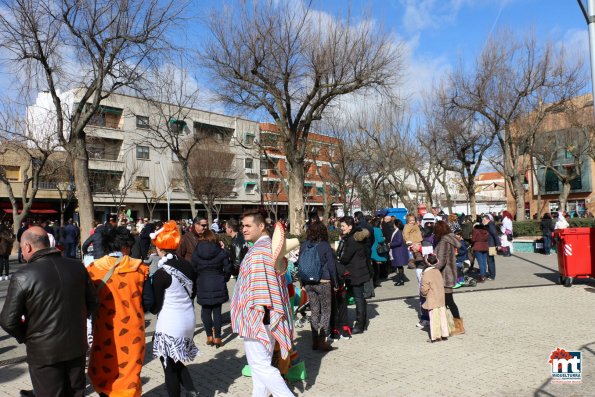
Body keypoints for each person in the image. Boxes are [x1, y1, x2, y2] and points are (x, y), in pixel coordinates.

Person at [0, 226, 97, 396]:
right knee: (76, 393)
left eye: (22, 248)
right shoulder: (77, 267)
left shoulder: (23, 276)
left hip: (44, 353)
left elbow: (8, 320)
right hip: (76, 347)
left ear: (28, 247)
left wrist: (27, 336)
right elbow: (93, 303)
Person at [230, 211, 294, 397]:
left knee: (260, 365)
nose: (243, 229)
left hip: (258, 316)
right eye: (242, 225)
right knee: (261, 369)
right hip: (265, 315)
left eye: (248, 225)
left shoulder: (259, 252)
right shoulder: (269, 247)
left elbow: (260, 291)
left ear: (261, 226)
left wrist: (256, 317)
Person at [87, 225, 149, 397]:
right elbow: (150, 302)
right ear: (125, 247)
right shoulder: (139, 269)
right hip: (133, 330)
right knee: (130, 368)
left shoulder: (93, 269)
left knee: (105, 365)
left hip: (104, 328)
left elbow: (87, 300)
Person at [150, 221, 200, 397]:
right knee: (175, 360)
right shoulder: (188, 265)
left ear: (159, 248)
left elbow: (155, 306)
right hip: (189, 319)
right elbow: (193, 292)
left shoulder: (160, 274)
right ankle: (192, 391)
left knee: (168, 366)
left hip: (170, 322)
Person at [296, 221, 338, 352]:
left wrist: (302, 283)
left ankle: (314, 341)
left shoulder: (304, 245)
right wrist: (336, 283)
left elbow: (299, 264)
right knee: (326, 311)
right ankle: (322, 340)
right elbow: (332, 266)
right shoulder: (325, 246)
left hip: (308, 283)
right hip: (324, 282)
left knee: (314, 311)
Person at [192, 229, 233, 348]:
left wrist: (198, 278)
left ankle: (209, 335)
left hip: (203, 283)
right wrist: (224, 278)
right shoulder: (220, 252)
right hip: (217, 282)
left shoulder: (196, 252)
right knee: (217, 311)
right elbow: (228, 268)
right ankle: (218, 337)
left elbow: (193, 268)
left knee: (205, 310)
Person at [339, 216, 371, 334]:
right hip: (359, 270)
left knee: (358, 298)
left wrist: (339, 260)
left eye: (343, 226)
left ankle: (359, 325)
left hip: (356, 272)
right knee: (359, 298)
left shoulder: (353, 239)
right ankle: (362, 323)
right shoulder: (356, 236)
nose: (341, 228)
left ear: (350, 227)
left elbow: (346, 257)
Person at [433, 221, 464, 335]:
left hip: (444, 275)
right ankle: (449, 325)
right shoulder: (450, 239)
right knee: (447, 301)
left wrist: (431, 268)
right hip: (450, 273)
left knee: (448, 301)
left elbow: (441, 261)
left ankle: (458, 326)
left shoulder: (443, 242)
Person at [420, 253, 449, 342]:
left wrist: (424, 294)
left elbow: (424, 289)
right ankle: (444, 334)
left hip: (432, 298)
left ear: (426, 263)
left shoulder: (426, 274)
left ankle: (436, 337)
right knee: (442, 317)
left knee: (434, 318)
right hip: (441, 298)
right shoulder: (438, 271)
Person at [389, 219, 409, 286]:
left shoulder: (398, 232)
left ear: (396, 224)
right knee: (399, 266)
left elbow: (398, 242)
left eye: (394, 223)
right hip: (398, 251)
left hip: (398, 251)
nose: (393, 225)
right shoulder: (398, 231)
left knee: (399, 266)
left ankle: (400, 280)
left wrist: (390, 244)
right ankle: (401, 279)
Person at [370, 218, 388, 288]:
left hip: (372, 248)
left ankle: (374, 281)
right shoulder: (377, 230)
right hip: (377, 249)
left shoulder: (371, 229)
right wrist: (384, 238)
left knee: (374, 265)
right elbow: (380, 240)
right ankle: (376, 281)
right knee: (376, 267)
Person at [485, 215, 499, 280]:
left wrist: (498, 244)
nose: (483, 221)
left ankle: (492, 275)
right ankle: (492, 274)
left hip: (491, 246)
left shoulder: (490, 225)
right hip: (491, 245)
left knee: (490, 261)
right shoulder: (490, 225)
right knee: (490, 261)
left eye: (484, 219)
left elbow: (495, 234)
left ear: (488, 219)